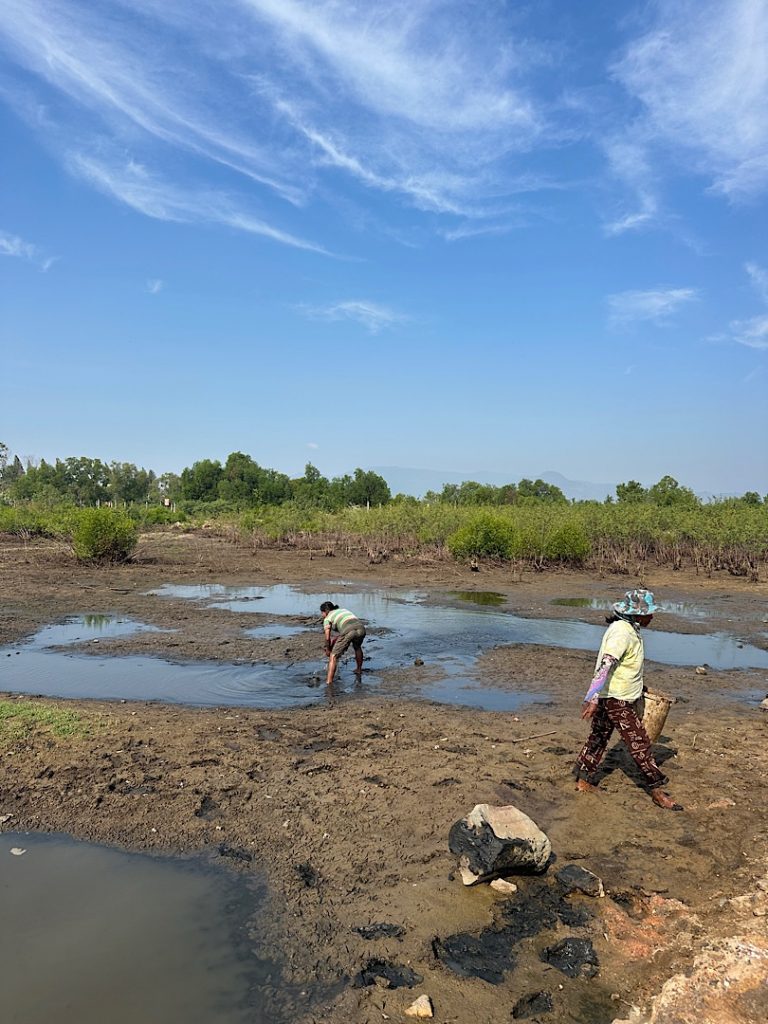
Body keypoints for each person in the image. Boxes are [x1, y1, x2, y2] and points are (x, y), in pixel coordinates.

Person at [573, 588, 683, 811]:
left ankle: (583, 780)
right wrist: (592, 697)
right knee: (639, 743)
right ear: (636, 614)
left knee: (599, 737)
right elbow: (606, 665)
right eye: (648, 612)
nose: (652, 616)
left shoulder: (629, 629)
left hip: (613, 694)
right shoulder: (622, 632)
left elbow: (624, 665)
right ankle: (657, 790)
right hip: (617, 699)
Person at [320, 602, 366, 685]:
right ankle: (359, 670)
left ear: (325, 611)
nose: (322, 615)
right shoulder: (343, 610)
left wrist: (328, 649)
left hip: (349, 630)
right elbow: (346, 626)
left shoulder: (327, 618)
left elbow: (327, 638)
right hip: (361, 628)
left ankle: (329, 682)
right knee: (357, 647)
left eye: (322, 613)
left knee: (333, 656)